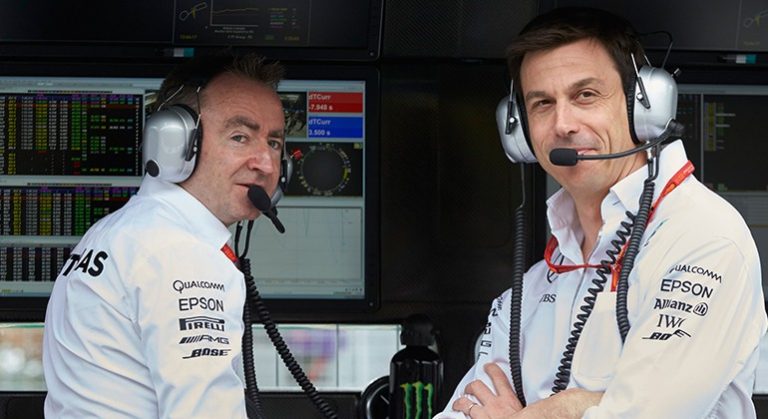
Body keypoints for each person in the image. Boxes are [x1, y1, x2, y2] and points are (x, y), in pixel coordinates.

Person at [436, 7, 767, 419]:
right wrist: (583, 406)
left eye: (585, 95)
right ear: (520, 130)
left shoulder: (704, 240)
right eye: (542, 103)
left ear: (643, 107)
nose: (563, 124)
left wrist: (558, 409)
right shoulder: (532, 288)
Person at [42, 53, 286, 418]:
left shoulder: (115, 232)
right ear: (173, 141)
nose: (265, 164)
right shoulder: (183, 253)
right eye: (240, 137)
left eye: (274, 143)